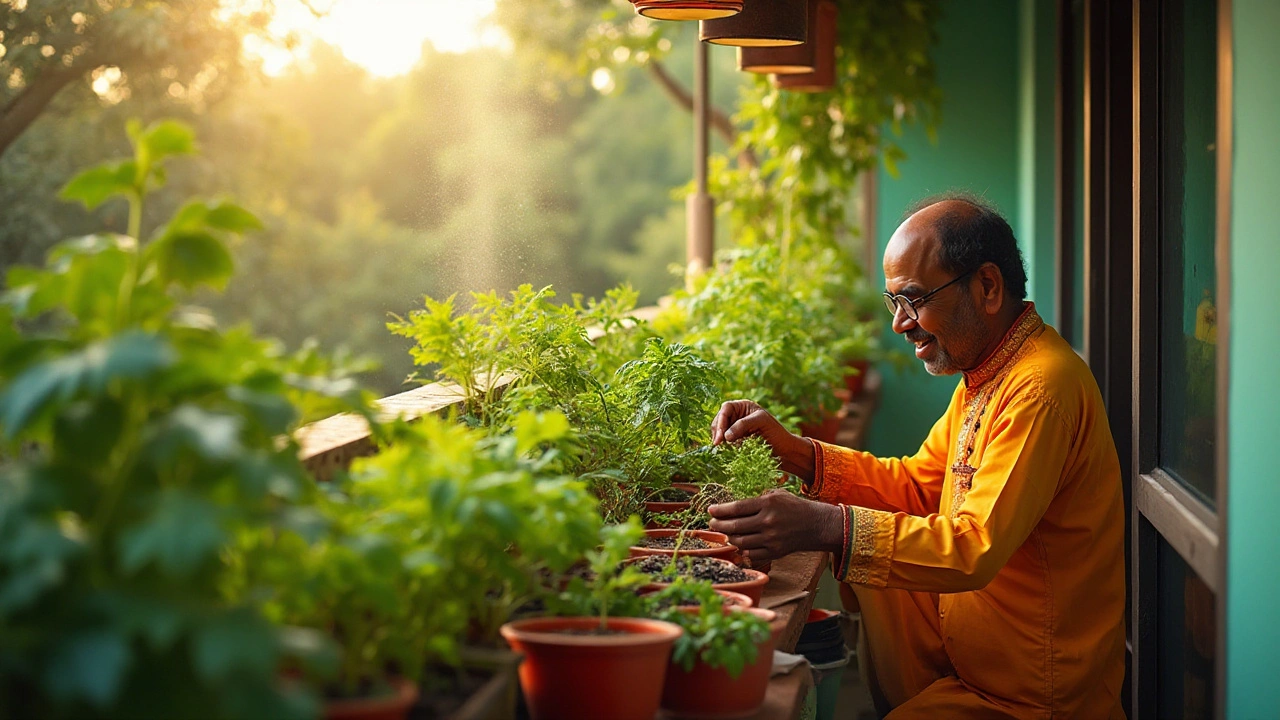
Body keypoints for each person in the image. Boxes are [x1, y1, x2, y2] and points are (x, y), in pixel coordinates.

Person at [707, 195, 1126, 719]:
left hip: (1031, 693)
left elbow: (974, 547)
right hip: (973, 650)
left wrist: (827, 526)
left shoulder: (1040, 387)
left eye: (915, 301)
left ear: (988, 287)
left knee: (856, 539)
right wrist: (795, 452)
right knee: (866, 548)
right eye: (894, 303)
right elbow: (917, 484)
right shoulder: (990, 373)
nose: (901, 324)